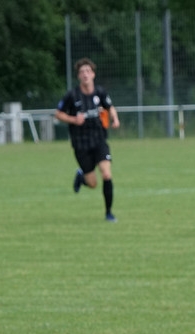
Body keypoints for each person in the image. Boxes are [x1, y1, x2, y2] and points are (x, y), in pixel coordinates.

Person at [55, 58, 120, 222]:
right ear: (78, 76)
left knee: (106, 173)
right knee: (92, 184)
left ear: (93, 74)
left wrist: (115, 118)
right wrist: (73, 119)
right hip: (81, 144)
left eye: (88, 71)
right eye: (82, 72)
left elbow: (109, 107)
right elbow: (58, 114)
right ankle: (81, 176)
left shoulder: (100, 92)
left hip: (99, 140)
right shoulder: (72, 95)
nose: (85, 74)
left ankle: (109, 213)